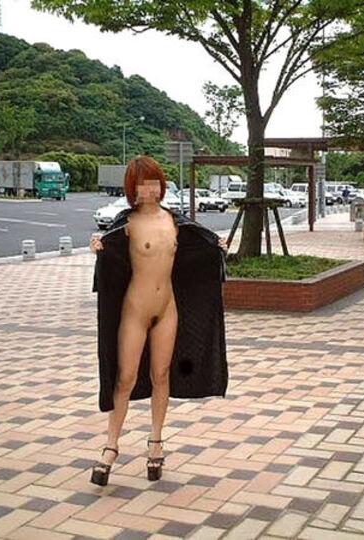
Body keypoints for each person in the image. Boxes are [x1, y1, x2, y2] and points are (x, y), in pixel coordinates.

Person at [89, 156, 228, 486]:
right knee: (125, 377)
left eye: (153, 182)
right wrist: (97, 248)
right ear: (131, 188)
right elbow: (109, 252)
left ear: (161, 185)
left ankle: (155, 443)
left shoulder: (174, 222)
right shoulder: (127, 223)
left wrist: (217, 248)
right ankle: (111, 446)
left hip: (168, 309)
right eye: (142, 184)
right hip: (134, 310)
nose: (149, 189)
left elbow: (197, 251)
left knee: (161, 374)